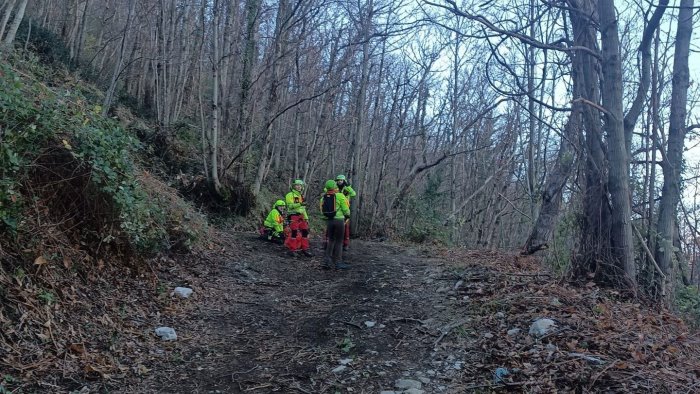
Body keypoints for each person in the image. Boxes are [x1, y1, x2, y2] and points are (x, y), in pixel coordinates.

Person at [320, 179, 351, 269]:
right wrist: (347, 215)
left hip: (329, 221)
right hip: (339, 221)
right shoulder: (340, 196)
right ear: (335, 186)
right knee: (339, 241)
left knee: (331, 240)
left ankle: (327, 261)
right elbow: (346, 209)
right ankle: (338, 262)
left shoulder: (323, 197)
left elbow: (322, 211)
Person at [285, 179, 312, 257]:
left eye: (300, 185)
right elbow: (290, 206)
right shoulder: (289, 195)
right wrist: (299, 204)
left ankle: (304, 249)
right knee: (294, 232)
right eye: (297, 185)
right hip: (293, 215)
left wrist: (306, 218)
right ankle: (292, 250)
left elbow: (303, 208)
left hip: (302, 216)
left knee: (305, 232)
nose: (298, 187)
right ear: (293, 186)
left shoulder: (302, 196)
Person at [335, 175, 356, 251]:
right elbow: (326, 190)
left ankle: (345, 244)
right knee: (332, 227)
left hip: (345, 210)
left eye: (341, 180)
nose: (340, 181)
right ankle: (329, 242)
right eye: (338, 180)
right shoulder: (335, 187)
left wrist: (349, 187)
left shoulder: (347, 188)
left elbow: (354, 194)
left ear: (344, 181)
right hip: (335, 210)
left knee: (346, 228)